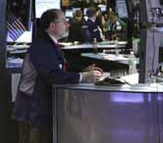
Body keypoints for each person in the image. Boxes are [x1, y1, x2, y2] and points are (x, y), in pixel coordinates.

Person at [13, 9, 103, 143]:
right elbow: (52, 75)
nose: (68, 24)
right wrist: (82, 77)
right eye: (64, 21)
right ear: (52, 26)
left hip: (41, 106)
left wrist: (83, 70)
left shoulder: (50, 43)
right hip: (33, 109)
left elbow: (60, 65)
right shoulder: (42, 47)